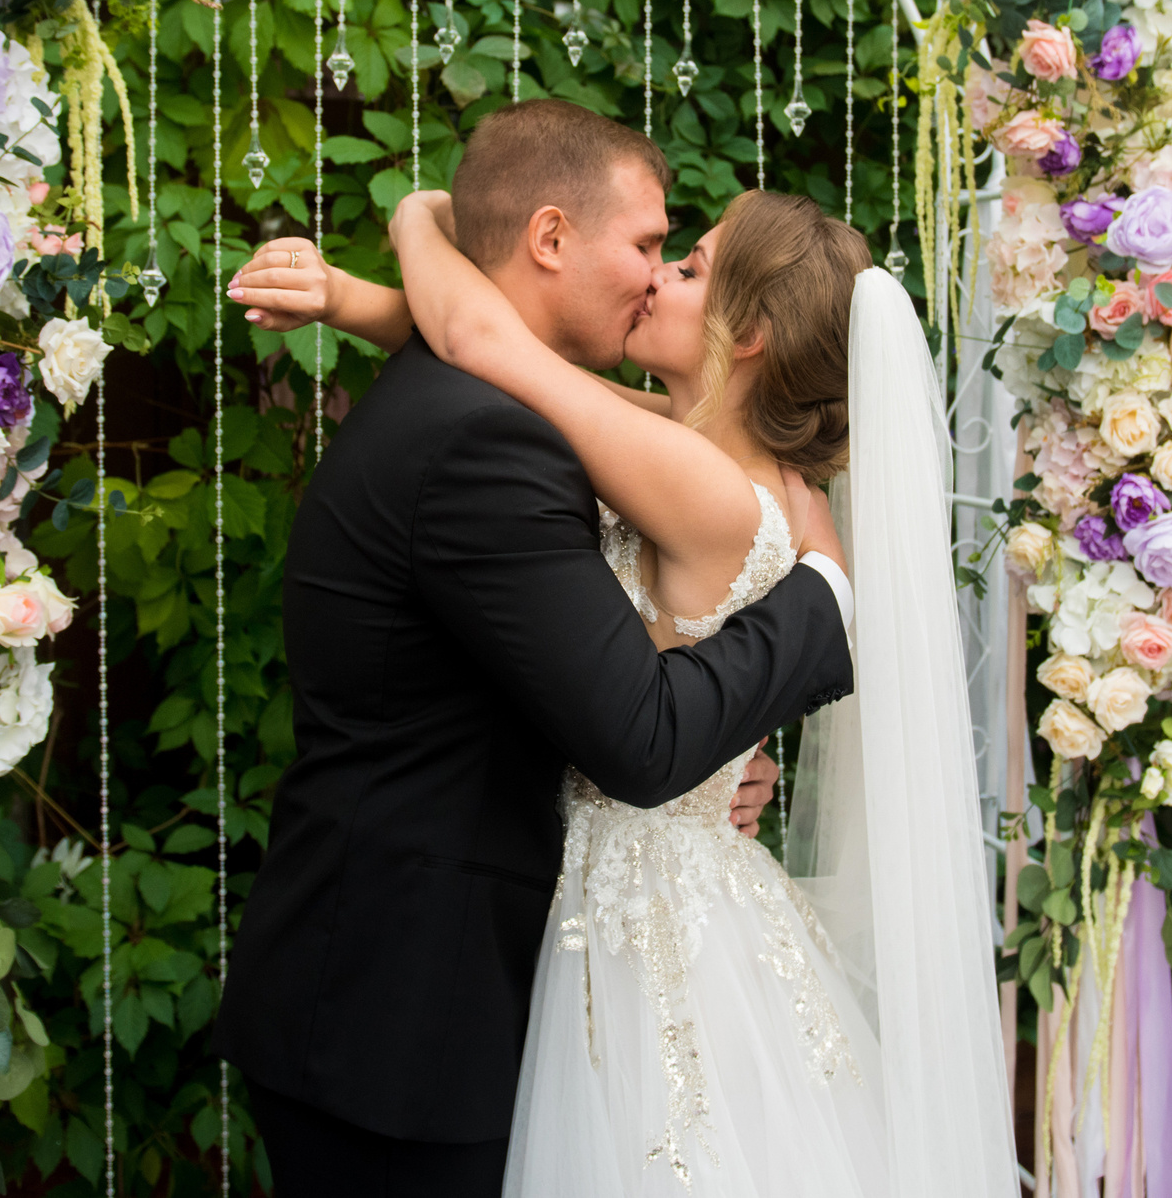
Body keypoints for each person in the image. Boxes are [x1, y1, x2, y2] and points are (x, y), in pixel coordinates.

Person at [225, 111, 1015, 1197]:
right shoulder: (644, 438)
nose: (656, 274)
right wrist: (371, 284)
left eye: (684, 264)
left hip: (630, 915)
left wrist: (415, 217)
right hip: (510, 946)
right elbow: (484, 349)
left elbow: (486, 341)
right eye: (654, 248)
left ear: (749, 334)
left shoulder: (674, 469)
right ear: (552, 235)